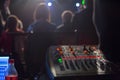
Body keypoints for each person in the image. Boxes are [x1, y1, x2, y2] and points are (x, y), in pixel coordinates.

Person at [25, 3, 56, 79]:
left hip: (34, 58)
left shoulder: (31, 27)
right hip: (48, 59)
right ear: (47, 13)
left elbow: (27, 45)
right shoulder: (52, 27)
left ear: (37, 13)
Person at [0, 15, 27, 79]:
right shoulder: (21, 33)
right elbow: (26, 45)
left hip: (8, 58)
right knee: (20, 75)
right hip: (18, 58)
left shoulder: (4, 34)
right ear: (16, 23)